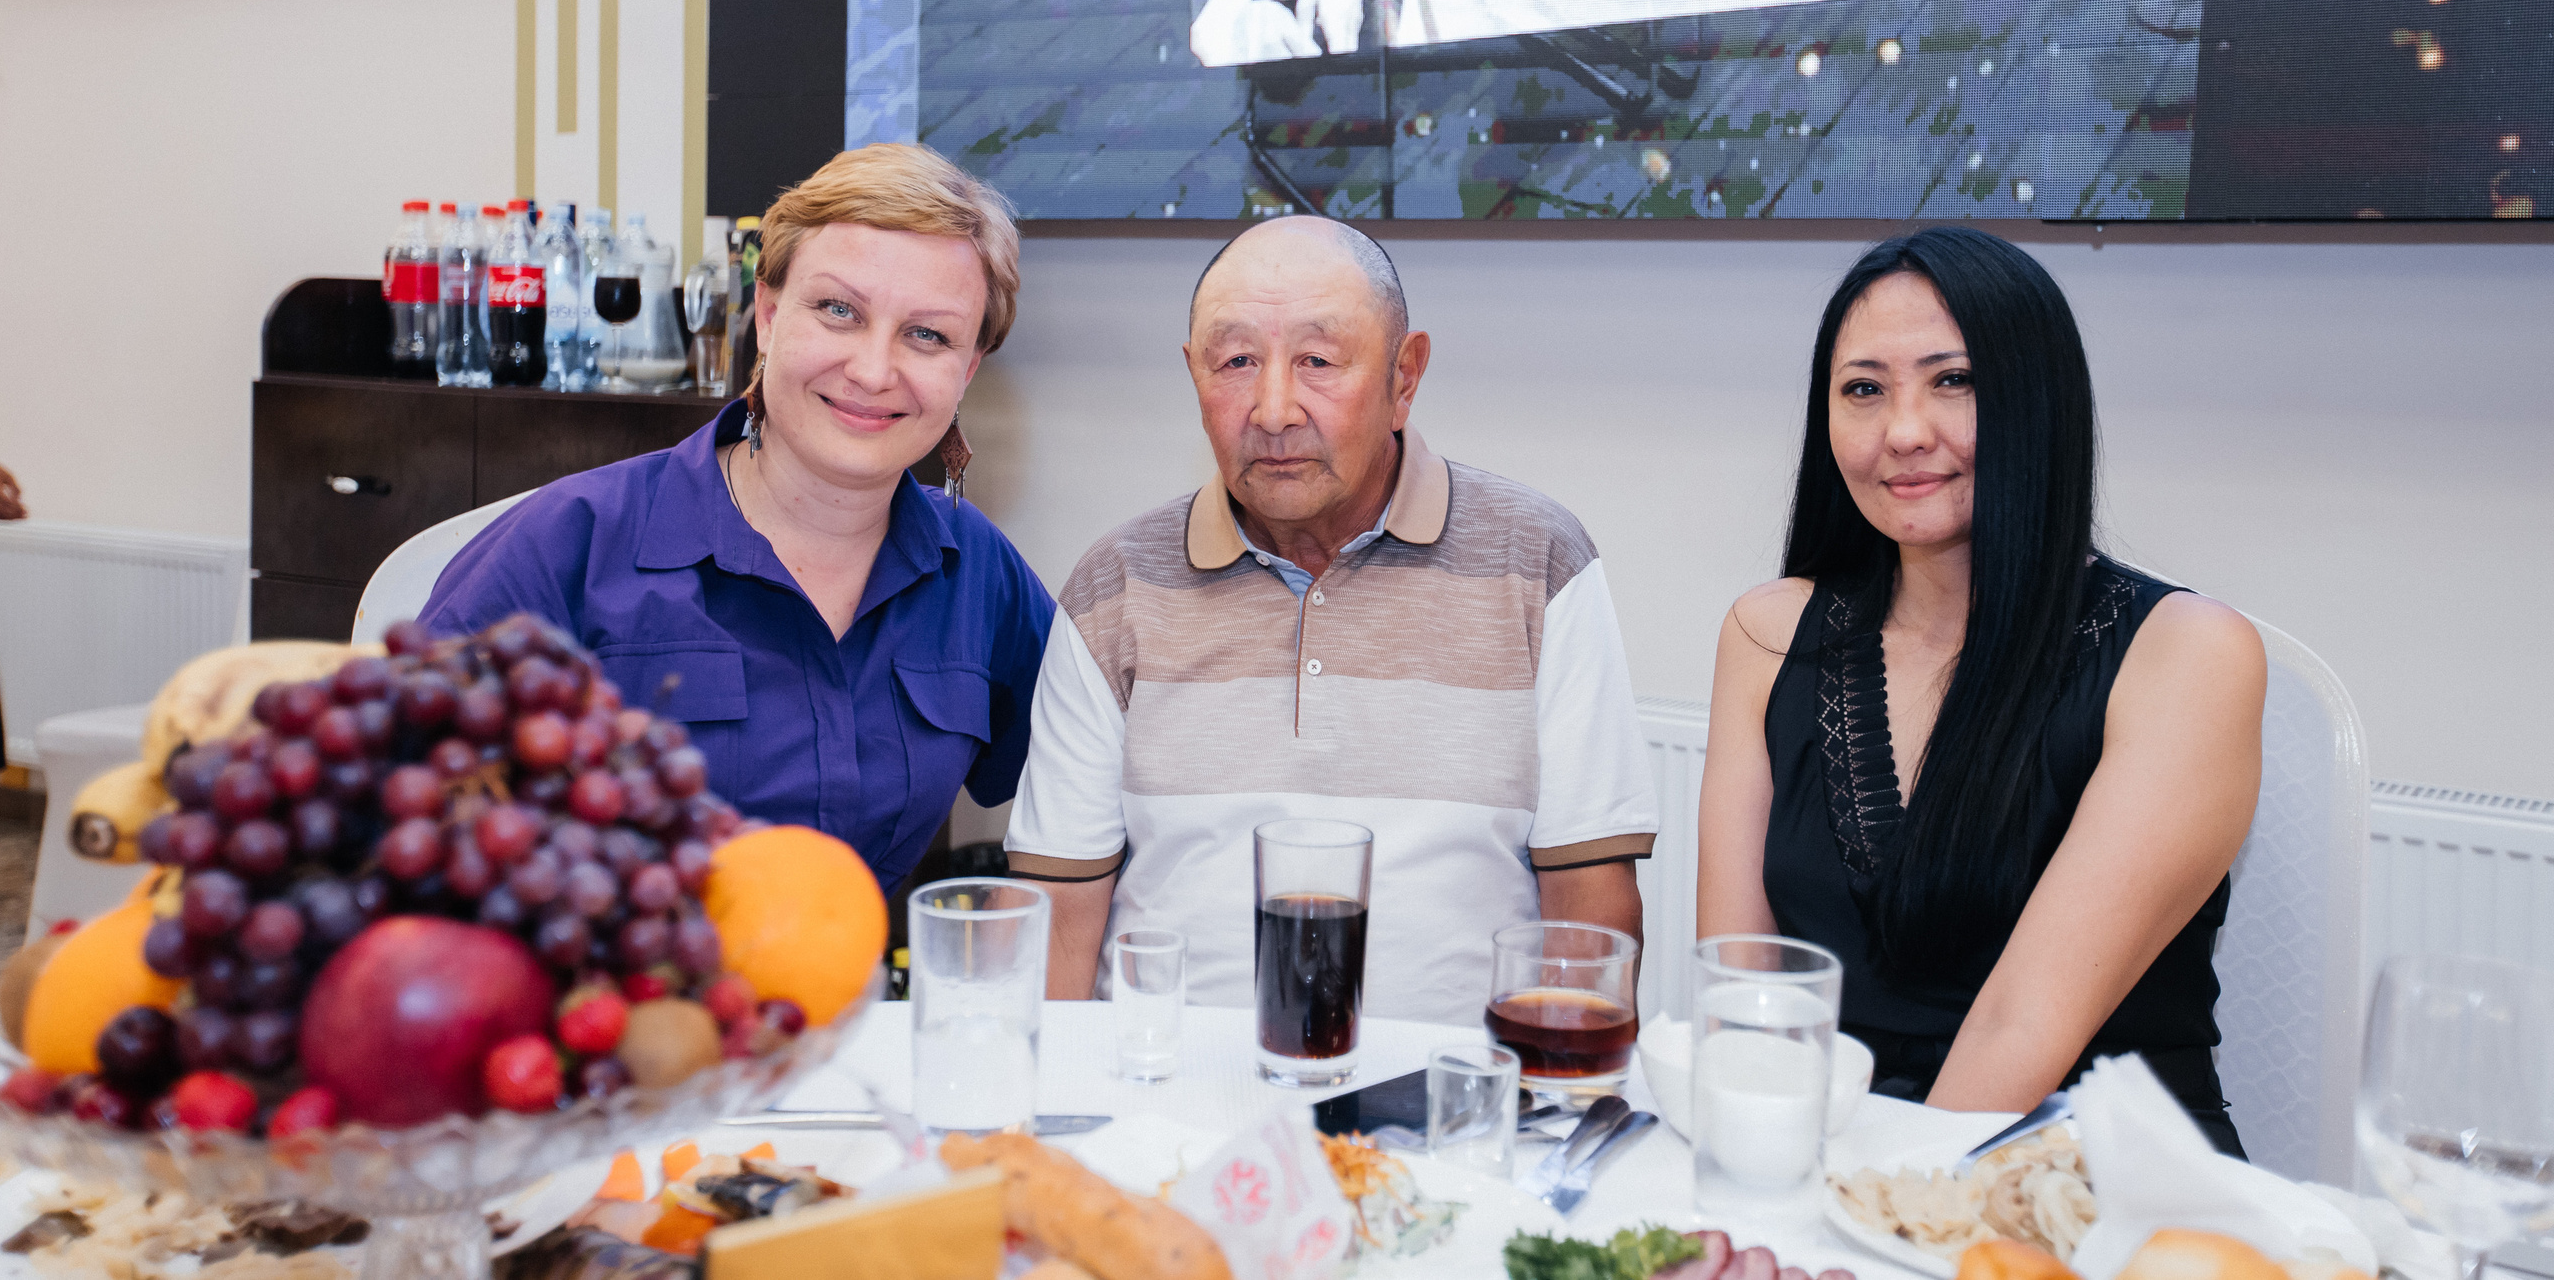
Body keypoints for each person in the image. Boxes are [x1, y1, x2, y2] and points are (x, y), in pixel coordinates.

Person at [1004, 215, 1658, 1024]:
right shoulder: (1116, 583)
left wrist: (1551, 1115)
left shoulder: (1540, 561)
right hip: (1171, 1103)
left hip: (1453, 1099)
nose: (1274, 409)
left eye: (1318, 360)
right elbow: (1059, 921)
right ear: (1193, 375)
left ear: (1404, 376)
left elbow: (1589, 910)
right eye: (1236, 361)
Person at [1695, 227, 2264, 1153]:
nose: (1905, 430)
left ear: (2038, 401)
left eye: (1952, 380)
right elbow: (1748, 999)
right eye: (1864, 389)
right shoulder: (1765, 635)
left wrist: (1878, 1218)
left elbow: (2017, 1028)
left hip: (2091, 1183)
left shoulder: (2188, 653)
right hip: (1827, 1166)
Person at [420, 146, 1055, 895]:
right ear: (770, 311)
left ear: (967, 369)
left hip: (846, 1002)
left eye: (928, 335)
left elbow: (1098, 789)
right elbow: (402, 810)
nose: (874, 371)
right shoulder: (570, 541)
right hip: (603, 1002)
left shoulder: (978, 572)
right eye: (839, 310)